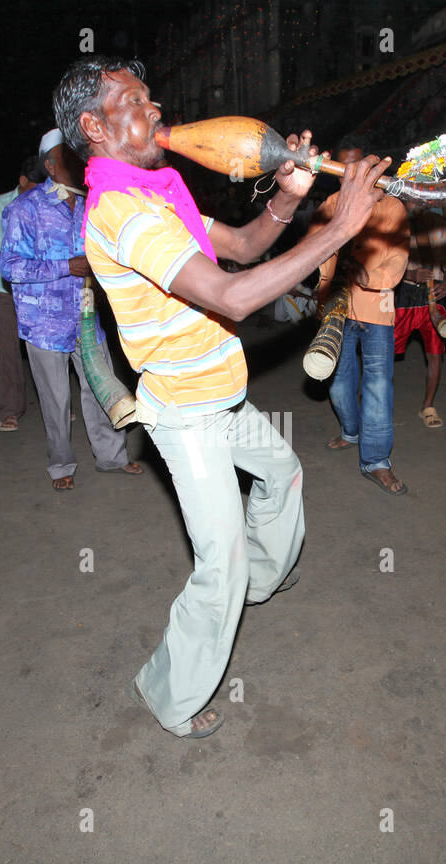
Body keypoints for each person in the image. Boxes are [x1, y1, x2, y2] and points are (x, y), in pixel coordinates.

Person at [57, 54, 387, 738]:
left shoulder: (161, 195)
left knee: (283, 474)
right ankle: (169, 695)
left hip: (220, 393)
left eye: (152, 98)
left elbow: (239, 245)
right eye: (135, 102)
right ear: (93, 125)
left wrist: (291, 198)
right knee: (219, 562)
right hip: (184, 413)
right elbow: (232, 293)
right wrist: (339, 229)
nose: (155, 111)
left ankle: (258, 582)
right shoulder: (121, 211)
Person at [0, 130, 141, 491]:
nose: (78, 162)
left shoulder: (91, 203)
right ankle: (61, 463)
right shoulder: (24, 209)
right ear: (49, 164)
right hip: (43, 321)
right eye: (67, 157)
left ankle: (111, 456)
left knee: (100, 387)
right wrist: (67, 266)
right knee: (56, 398)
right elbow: (10, 267)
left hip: (87, 315)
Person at [308, 145, 410, 495]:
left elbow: (397, 260)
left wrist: (368, 281)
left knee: (377, 385)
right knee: (338, 382)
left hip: (375, 308)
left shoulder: (392, 206)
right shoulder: (330, 206)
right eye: (344, 168)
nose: (350, 174)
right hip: (336, 307)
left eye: (357, 168)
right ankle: (351, 431)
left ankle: (376, 460)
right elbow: (313, 253)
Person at [0, 172, 37, 431]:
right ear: (23, 180)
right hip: (5, 289)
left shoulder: (40, 204)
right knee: (10, 349)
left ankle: (53, 406)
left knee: (44, 348)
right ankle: (10, 410)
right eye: (35, 186)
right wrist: (19, 265)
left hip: (37, 286)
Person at [392, 203, 446, 427]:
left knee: (435, 353)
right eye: (412, 199)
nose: (416, 203)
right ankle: (376, 402)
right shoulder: (395, 223)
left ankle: (428, 406)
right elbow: (380, 266)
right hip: (403, 294)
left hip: (433, 295)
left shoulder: (440, 226)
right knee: (386, 351)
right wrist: (410, 273)